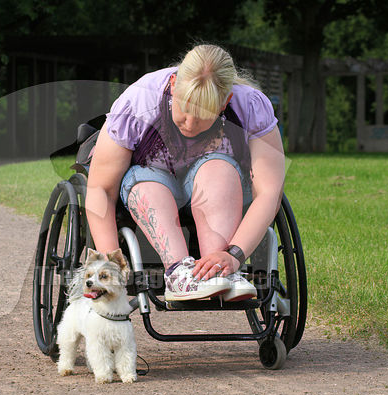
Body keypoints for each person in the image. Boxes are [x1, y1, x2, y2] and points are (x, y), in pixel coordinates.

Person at [85, 43, 285, 302]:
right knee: (147, 184)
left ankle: (218, 270)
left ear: (226, 102)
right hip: (149, 177)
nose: (190, 124)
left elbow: (269, 192)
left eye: (203, 116)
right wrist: (109, 262)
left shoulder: (251, 106)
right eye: (184, 110)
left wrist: (234, 254)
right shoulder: (138, 102)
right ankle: (179, 272)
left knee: (219, 168)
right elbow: (101, 188)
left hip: (216, 184)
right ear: (172, 84)